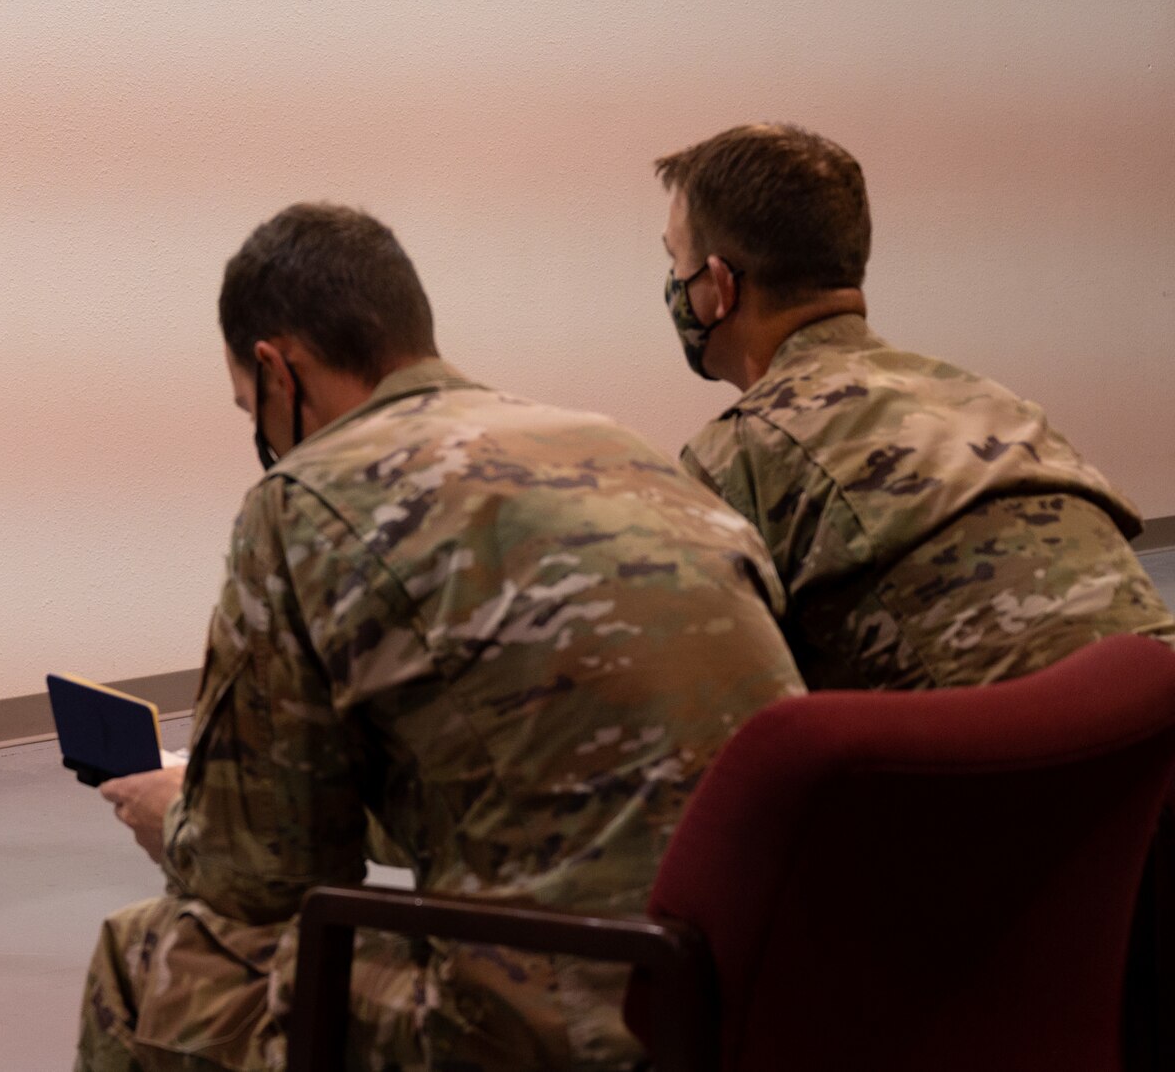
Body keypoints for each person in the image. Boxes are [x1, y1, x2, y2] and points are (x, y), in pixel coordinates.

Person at [76, 204, 804, 1071]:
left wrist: (177, 818)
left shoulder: (304, 499)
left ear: (277, 370)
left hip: (580, 1024)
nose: (264, 437)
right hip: (770, 990)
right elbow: (521, 776)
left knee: (146, 958)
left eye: (251, 409)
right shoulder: (626, 452)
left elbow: (260, 879)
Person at [656, 122, 1173, 690]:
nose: (674, 284)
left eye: (676, 261)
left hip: (990, 773)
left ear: (720, 286)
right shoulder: (987, 400)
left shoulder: (735, 459)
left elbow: (712, 708)